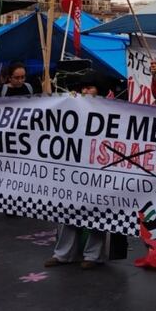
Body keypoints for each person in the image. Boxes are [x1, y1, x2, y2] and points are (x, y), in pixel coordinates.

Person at [45, 74, 107, 270]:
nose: (86, 91)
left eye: (90, 88)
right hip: (74, 166)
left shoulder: (109, 109)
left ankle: (93, 255)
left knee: (97, 212)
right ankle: (63, 254)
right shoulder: (74, 105)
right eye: (84, 88)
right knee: (68, 209)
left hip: (98, 168)